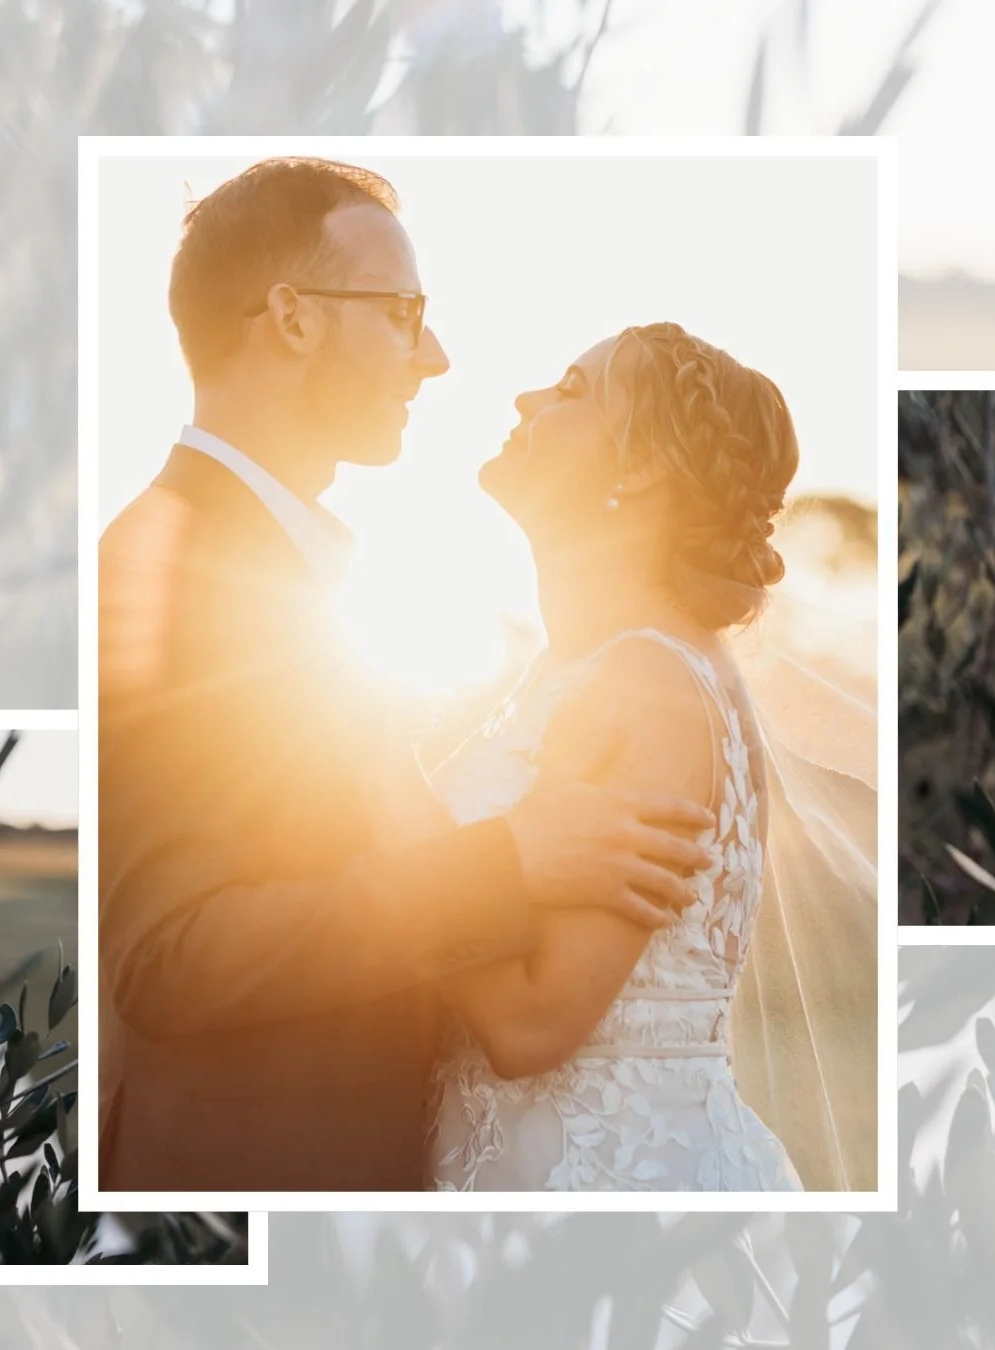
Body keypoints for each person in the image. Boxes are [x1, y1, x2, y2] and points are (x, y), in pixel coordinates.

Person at [97, 158, 714, 1192]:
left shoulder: (294, 566)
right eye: (402, 313)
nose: (434, 356)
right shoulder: (176, 565)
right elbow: (168, 961)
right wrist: (505, 863)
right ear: (291, 319)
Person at [379, 323, 815, 1190]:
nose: (524, 401)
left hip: (608, 1188)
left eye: (571, 391)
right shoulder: (578, 671)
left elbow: (534, 1026)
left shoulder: (645, 682)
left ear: (642, 468)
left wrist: (384, 782)